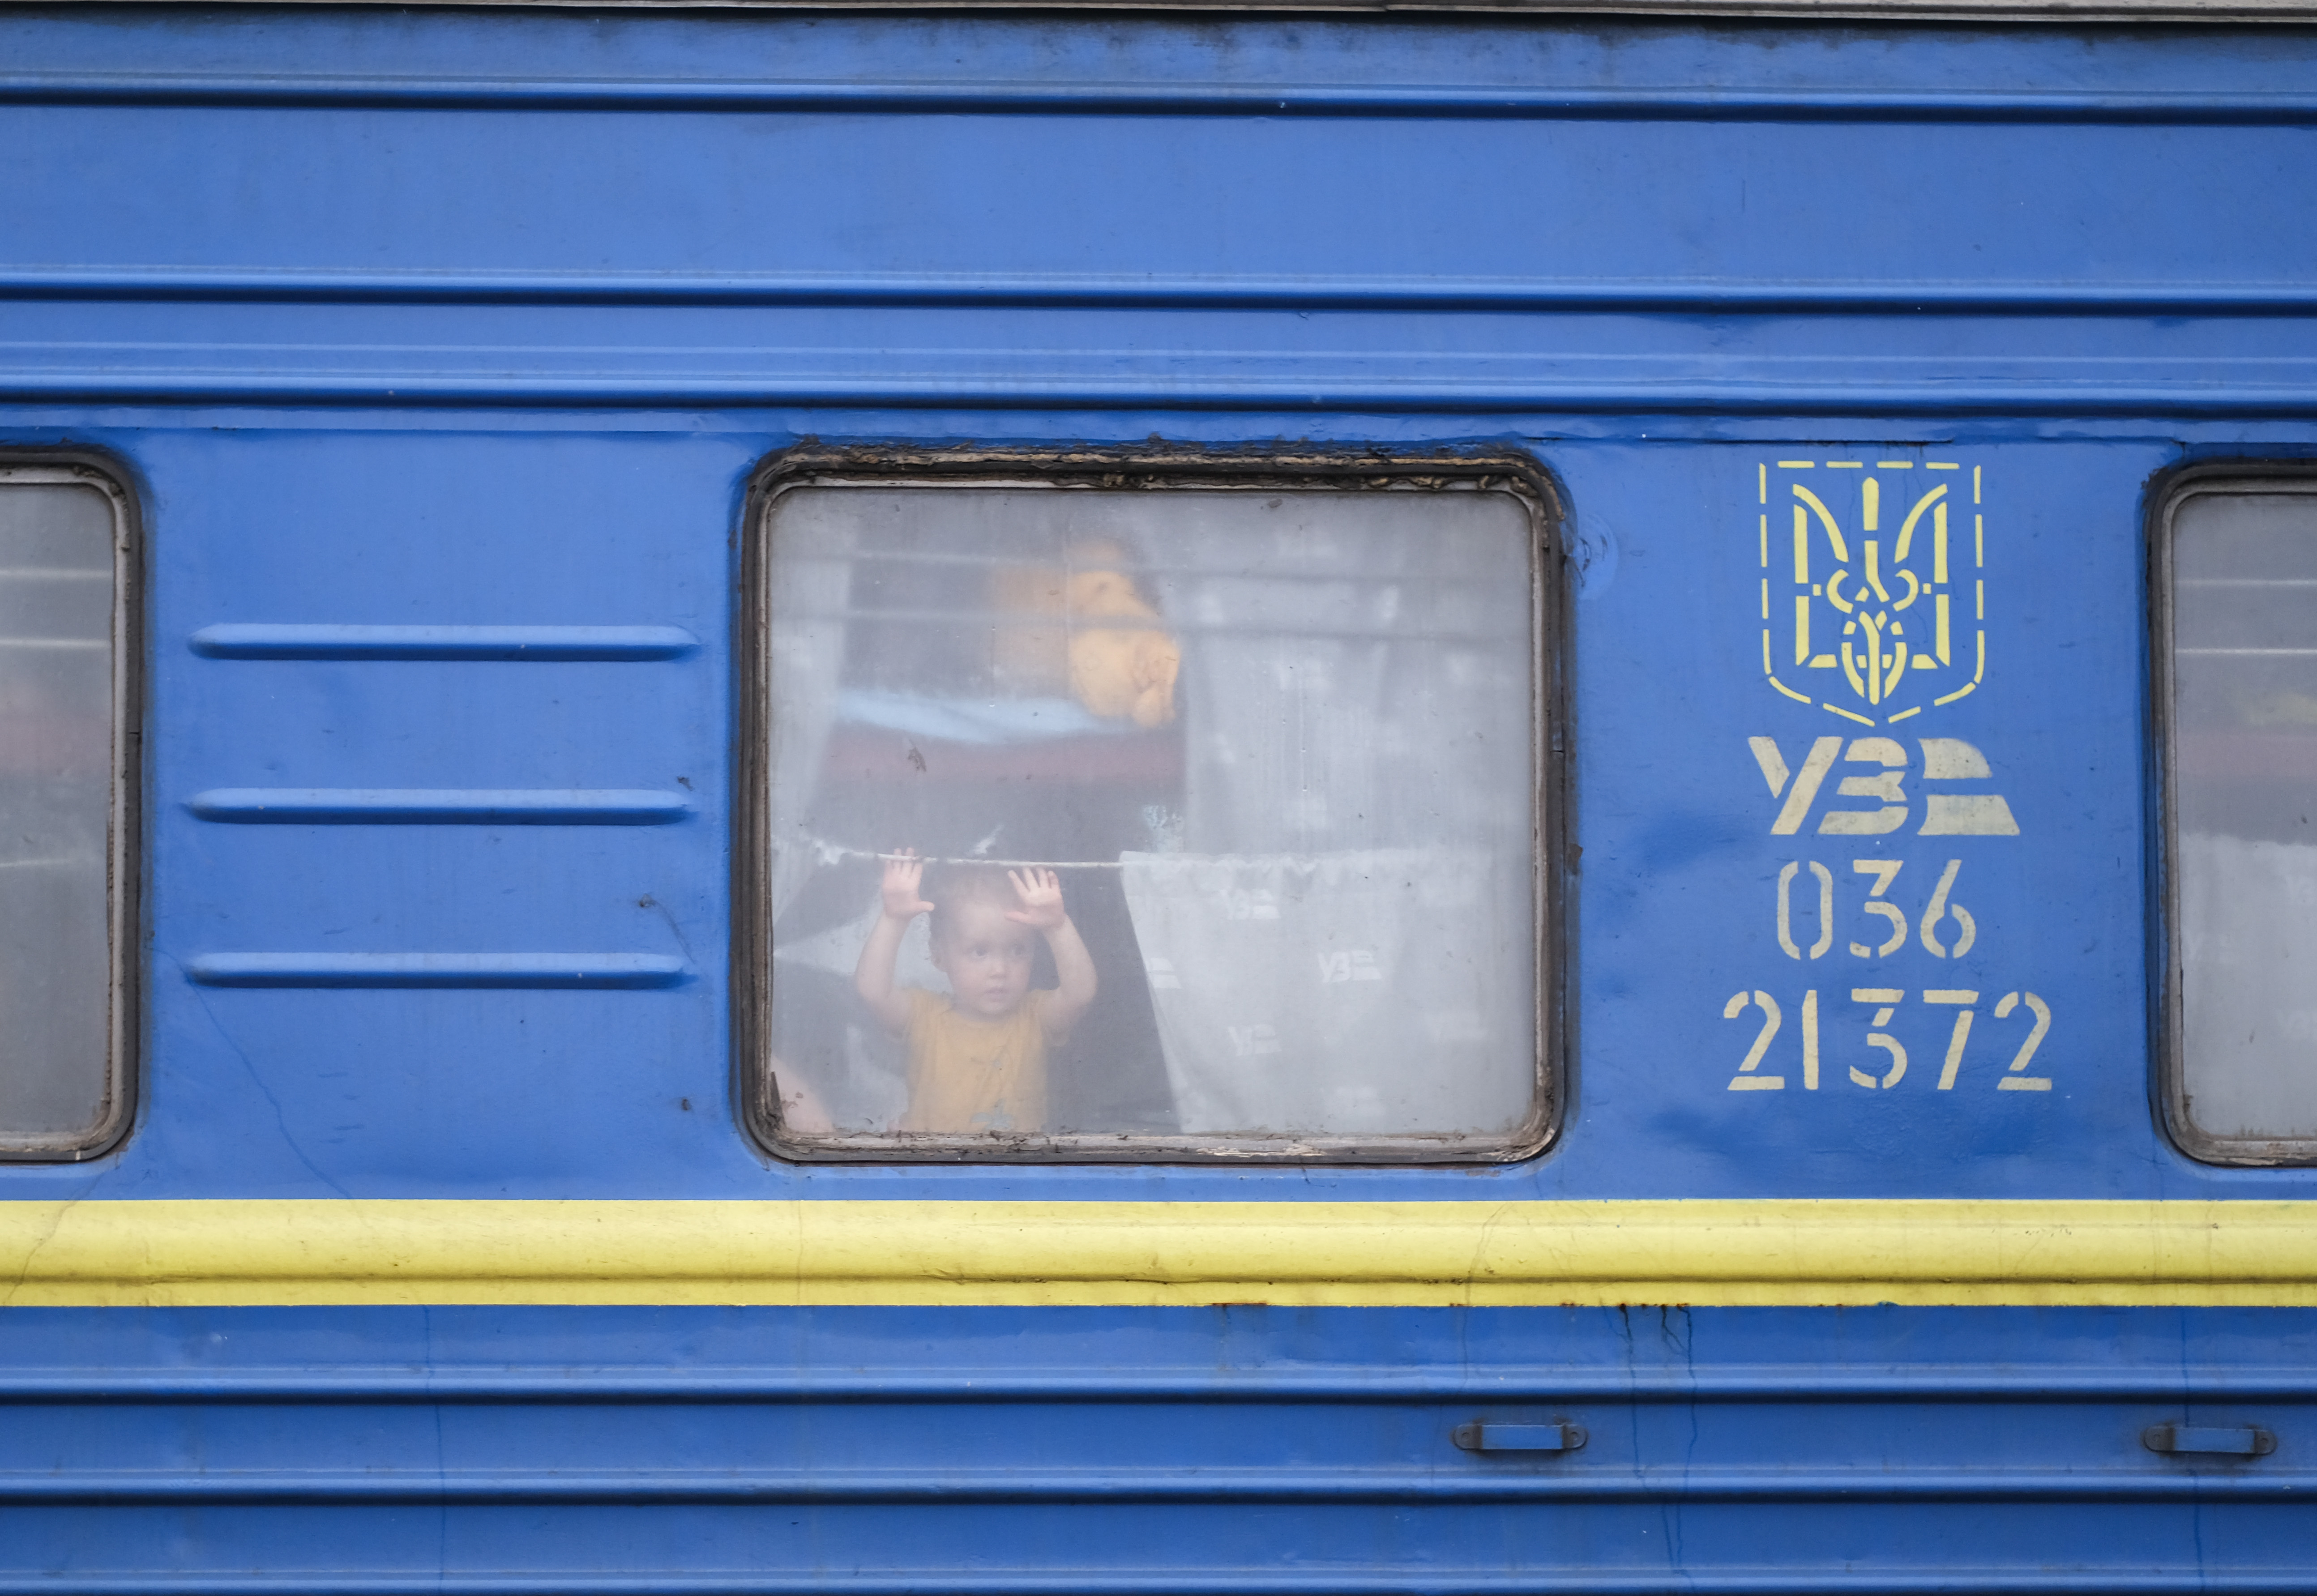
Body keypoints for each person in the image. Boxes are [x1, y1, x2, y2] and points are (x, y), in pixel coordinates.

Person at [853, 849, 1097, 1134]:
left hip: (1013, 1171)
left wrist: (1057, 926)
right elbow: (872, 991)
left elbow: (1080, 994)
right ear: (939, 955)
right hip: (930, 1170)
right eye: (980, 952)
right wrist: (894, 918)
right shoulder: (924, 1016)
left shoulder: (1035, 1017)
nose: (1000, 970)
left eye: (1018, 951)